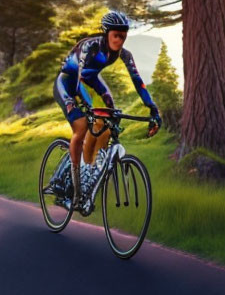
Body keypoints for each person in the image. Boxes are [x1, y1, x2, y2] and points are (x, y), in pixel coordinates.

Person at [52, 11, 161, 210]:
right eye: (116, 36)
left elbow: (138, 81)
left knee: (111, 113)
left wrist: (153, 108)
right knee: (82, 125)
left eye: (123, 36)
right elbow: (77, 79)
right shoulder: (89, 46)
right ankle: (75, 190)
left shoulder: (124, 55)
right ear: (106, 33)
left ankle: (91, 167)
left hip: (89, 79)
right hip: (68, 81)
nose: (120, 40)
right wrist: (82, 105)